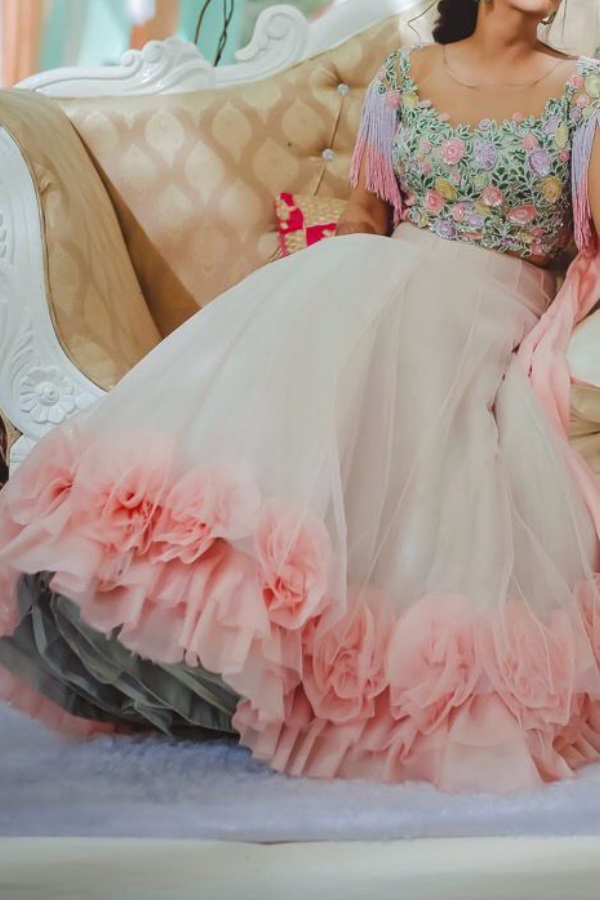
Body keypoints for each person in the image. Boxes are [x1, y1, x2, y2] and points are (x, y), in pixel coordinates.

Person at [0, 0, 600, 794]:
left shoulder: (582, 95)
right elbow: (366, 218)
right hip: (380, 274)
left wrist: (561, 325)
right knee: (338, 317)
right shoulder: (405, 75)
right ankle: (206, 620)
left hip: (492, 303)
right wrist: (336, 278)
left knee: (410, 342)